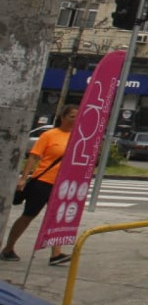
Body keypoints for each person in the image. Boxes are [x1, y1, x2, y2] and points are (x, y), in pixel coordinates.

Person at [3, 104, 78, 265]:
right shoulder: (49, 135)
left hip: (63, 185)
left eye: (77, 117)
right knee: (29, 215)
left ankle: (56, 254)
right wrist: (24, 178)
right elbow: (34, 157)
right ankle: (8, 248)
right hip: (43, 182)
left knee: (57, 218)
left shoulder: (76, 137)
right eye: (72, 116)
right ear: (62, 117)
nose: (75, 120)